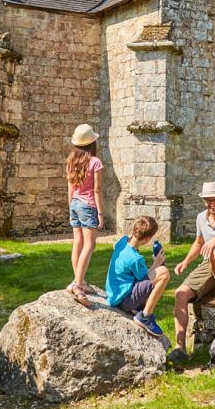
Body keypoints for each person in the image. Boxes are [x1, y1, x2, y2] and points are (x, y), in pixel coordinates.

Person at [169, 181, 215, 360]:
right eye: (209, 200)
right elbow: (199, 242)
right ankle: (180, 348)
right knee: (180, 294)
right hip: (208, 264)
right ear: (204, 201)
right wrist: (186, 262)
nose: (212, 203)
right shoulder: (201, 218)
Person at [105, 215, 170, 337]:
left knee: (153, 274)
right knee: (163, 272)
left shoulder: (122, 241)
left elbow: (115, 246)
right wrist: (156, 263)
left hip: (113, 295)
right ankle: (145, 316)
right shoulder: (135, 259)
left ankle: (137, 309)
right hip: (123, 301)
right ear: (147, 239)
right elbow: (145, 279)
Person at [65, 123, 104, 305]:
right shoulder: (95, 162)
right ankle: (78, 285)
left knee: (77, 243)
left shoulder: (71, 160)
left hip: (74, 203)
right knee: (89, 244)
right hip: (88, 205)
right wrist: (100, 213)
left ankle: (78, 280)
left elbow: (70, 187)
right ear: (92, 142)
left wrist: (70, 206)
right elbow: (97, 190)